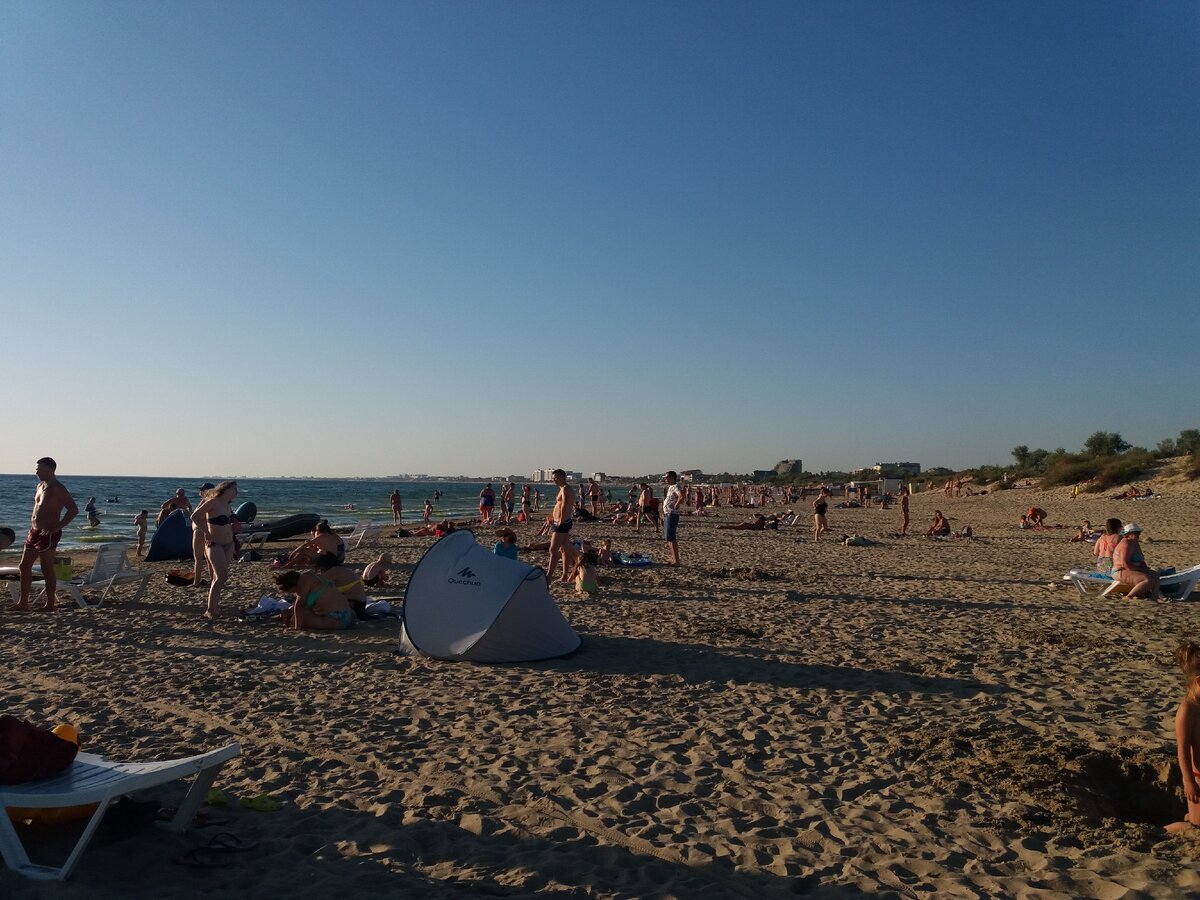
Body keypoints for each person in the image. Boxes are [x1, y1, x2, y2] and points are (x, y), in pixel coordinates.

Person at [11, 457, 78, 612]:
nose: (36, 472)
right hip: (34, 531)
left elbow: (73, 510)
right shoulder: (40, 486)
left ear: (50, 470)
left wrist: (57, 527)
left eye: (40, 469)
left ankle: (50, 604)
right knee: (24, 566)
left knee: (46, 568)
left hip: (48, 533)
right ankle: (23, 603)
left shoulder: (57, 488)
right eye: (36, 469)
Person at [190, 480, 239, 620]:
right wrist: (206, 532)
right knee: (222, 577)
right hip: (214, 544)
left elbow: (227, 524)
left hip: (228, 544)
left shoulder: (227, 505)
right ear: (226, 489)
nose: (236, 492)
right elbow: (194, 516)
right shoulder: (213, 502)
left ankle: (213, 607)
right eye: (234, 489)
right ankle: (210, 610)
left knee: (217, 578)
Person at [1168, 641, 1200, 835]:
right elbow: (1182, 748)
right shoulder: (1187, 710)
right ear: (1198, 681)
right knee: (1196, 828)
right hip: (1197, 779)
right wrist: (1188, 781)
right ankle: (1162, 831)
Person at [274, 569, 354, 631]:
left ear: (291, 586)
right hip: (347, 615)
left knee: (294, 620)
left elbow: (299, 606)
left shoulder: (302, 584)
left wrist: (296, 628)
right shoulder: (312, 576)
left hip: (336, 620)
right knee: (297, 612)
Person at [312, 552, 369, 619]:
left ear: (324, 566)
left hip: (353, 605)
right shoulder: (341, 569)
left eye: (321, 569)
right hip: (359, 606)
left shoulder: (334, 571)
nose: (321, 571)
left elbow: (316, 584)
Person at [1111, 523, 1159, 599]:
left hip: (1132, 569)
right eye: (1136, 533)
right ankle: (1129, 596)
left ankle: (1155, 597)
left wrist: (1145, 568)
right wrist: (1142, 570)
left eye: (1139, 533)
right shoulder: (1125, 544)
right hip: (1120, 571)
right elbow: (1125, 564)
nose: (1138, 535)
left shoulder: (1135, 542)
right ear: (1128, 534)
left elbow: (1141, 559)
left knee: (1155, 575)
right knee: (1147, 579)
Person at [546, 469, 577, 583]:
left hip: (562, 522)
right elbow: (560, 505)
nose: (554, 480)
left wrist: (561, 520)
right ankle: (564, 575)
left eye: (556, 477)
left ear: (563, 477)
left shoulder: (565, 489)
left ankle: (548, 576)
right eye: (553, 478)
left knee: (553, 550)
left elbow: (564, 504)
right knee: (564, 549)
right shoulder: (563, 488)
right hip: (562, 521)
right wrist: (553, 518)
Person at [190, 482, 216, 587]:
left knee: (198, 558)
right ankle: (212, 580)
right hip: (205, 530)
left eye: (202, 489)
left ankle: (196, 582)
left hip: (200, 531)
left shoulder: (206, 502)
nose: (200, 491)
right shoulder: (208, 501)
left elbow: (196, 517)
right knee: (208, 558)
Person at [662, 471, 682, 566]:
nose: (665, 479)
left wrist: (677, 504)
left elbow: (681, 497)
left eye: (667, 477)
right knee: (668, 538)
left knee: (671, 537)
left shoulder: (676, 486)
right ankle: (674, 559)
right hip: (667, 514)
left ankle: (676, 561)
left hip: (672, 514)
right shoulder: (670, 487)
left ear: (672, 478)